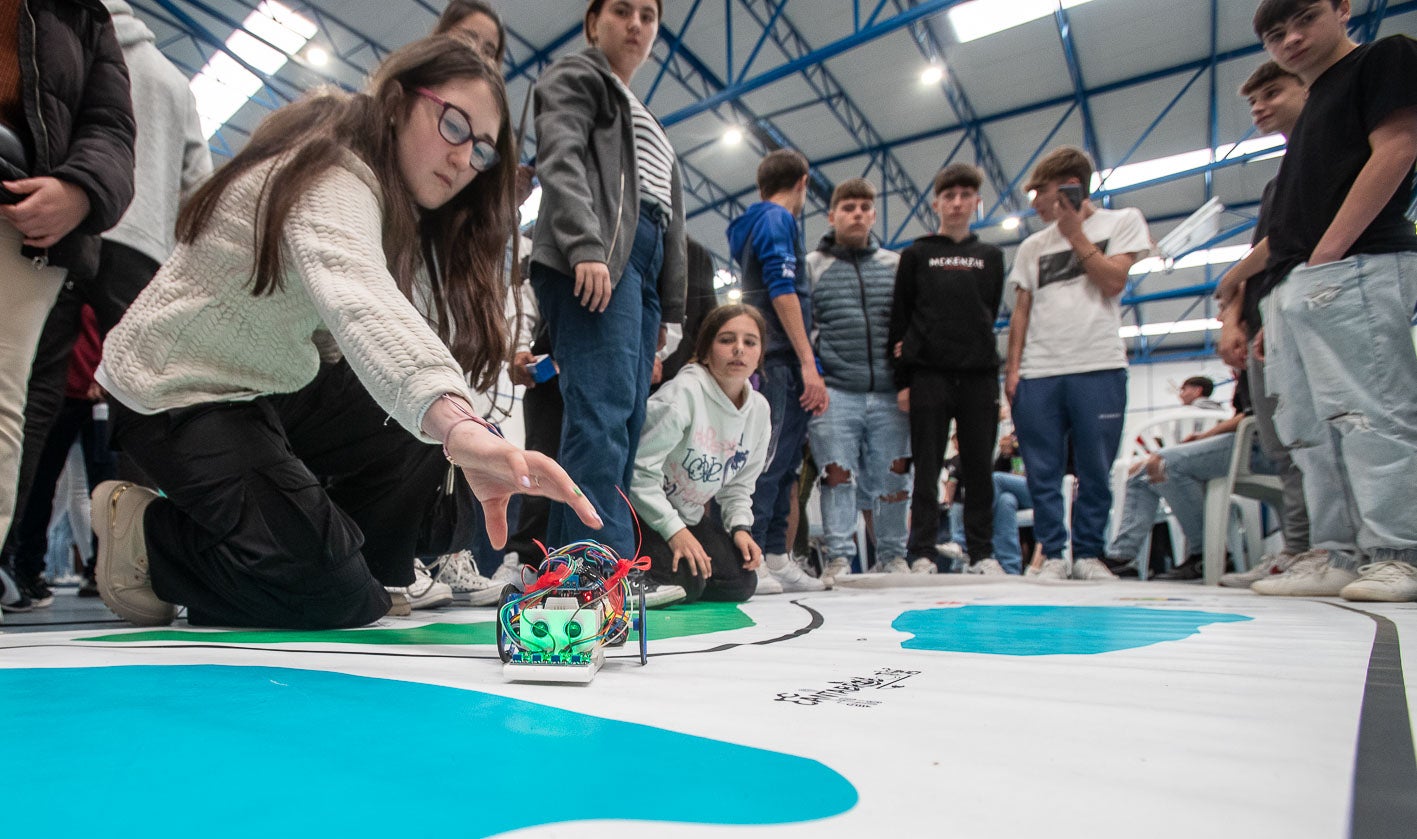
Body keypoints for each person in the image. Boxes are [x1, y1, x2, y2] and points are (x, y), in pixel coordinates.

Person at [92, 34, 600, 629]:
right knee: (331, 593)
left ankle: (374, 567)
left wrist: (447, 428)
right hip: (176, 391)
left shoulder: (387, 199)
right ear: (397, 101)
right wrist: (461, 424)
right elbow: (358, 293)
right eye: (455, 125)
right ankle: (150, 539)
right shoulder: (333, 172)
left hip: (263, 385)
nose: (465, 160)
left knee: (411, 429)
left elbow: (363, 335)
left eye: (483, 149)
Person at [1245, 0, 1417, 601]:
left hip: (1357, 264)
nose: (1291, 38)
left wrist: (1329, 253)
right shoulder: (1315, 106)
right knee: (1310, 430)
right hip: (1298, 285)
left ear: (1343, 9)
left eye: (1305, 19)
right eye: (1275, 33)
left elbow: (1397, 146)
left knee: (1372, 413)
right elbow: (1293, 218)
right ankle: (1340, 552)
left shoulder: (1384, 57)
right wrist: (1279, 298)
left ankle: (1399, 550)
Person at [529, 0, 687, 602]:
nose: (637, 24)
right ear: (593, 21)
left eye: (649, 14)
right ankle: (609, 567)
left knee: (624, 418)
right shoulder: (577, 76)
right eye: (623, 10)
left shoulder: (646, 114)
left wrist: (668, 313)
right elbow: (560, 157)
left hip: (642, 265)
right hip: (600, 252)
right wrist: (584, 244)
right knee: (599, 414)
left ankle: (577, 569)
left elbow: (669, 220)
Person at [0, 0, 135, 615]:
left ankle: (33, 562)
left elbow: (110, 127)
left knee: (15, 413)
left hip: (26, 221)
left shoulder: (83, 16)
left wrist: (80, 189)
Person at [1003, 145, 1152, 582]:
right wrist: (1013, 372)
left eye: (1041, 192)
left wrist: (1075, 235)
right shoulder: (1031, 247)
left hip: (1098, 364)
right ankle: (1052, 553)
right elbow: (1021, 312)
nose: (1034, 203)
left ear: (1071, 185)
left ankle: (1088, 552)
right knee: (1043, 470)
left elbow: (1112, 282)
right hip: (1039, 371)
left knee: (1094, 467)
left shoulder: (1122, 222)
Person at [1212, 60, 1319, 588]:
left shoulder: (1330, 155)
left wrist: (1232, 275)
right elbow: (1261, 265)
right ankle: (1301, 548)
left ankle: (1350, 545)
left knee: (1319, 438)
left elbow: (1295, 238)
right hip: (1267, 322)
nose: (1260, 106)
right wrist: (1236, 315)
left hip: (1313, 307)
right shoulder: (1281, 180)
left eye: (1273, 92)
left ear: (1308, 87)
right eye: (1253, 99)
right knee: (1284, 444)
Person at [890, 163, 1006, 577]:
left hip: (978, 376)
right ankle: (920, 551)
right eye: (949, 196)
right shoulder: (917, 254)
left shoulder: (991, 256)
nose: (957, 203)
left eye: (965, 196)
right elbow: (900, 319)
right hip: (928, 376)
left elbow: (988, 311)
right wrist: (903, 380)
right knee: (926, 467)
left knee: (978, 468)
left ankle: (982, 553)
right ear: (937, 203)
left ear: (977, 202)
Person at [727, 149, 825, 595]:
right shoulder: (775, 220)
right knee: (768, 461)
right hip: (781, 359)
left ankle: (777, 553)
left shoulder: (748, 223)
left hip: (779, 358)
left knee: (785, 464)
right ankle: (758, 558)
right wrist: (808, 361)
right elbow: (782, 290)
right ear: (803, 182)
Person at [802, 179, 908, 584]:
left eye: (866, 206)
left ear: (875, 215)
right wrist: (817, 377)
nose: (858, 213)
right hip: (836, 393)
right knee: (836, 476)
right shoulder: (814, 266)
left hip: (889, 395)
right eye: (849, 207)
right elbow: (804, 327)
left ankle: (894, 555)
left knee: (895, 476)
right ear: (831, 216)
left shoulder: (895, 266)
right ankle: (839, 559)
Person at [630, 304, 769, 604]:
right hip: (642, 513)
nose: (738, 350)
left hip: (687, 515)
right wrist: (673, 530)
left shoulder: (759, 410)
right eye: (726, 340)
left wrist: (740, 528)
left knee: (741, 582)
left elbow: (739, 485)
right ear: (705, 351)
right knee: (687, 581)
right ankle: (626, 569)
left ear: (760, 353)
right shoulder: (683, 394)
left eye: (749, 342)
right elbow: (638, 473)